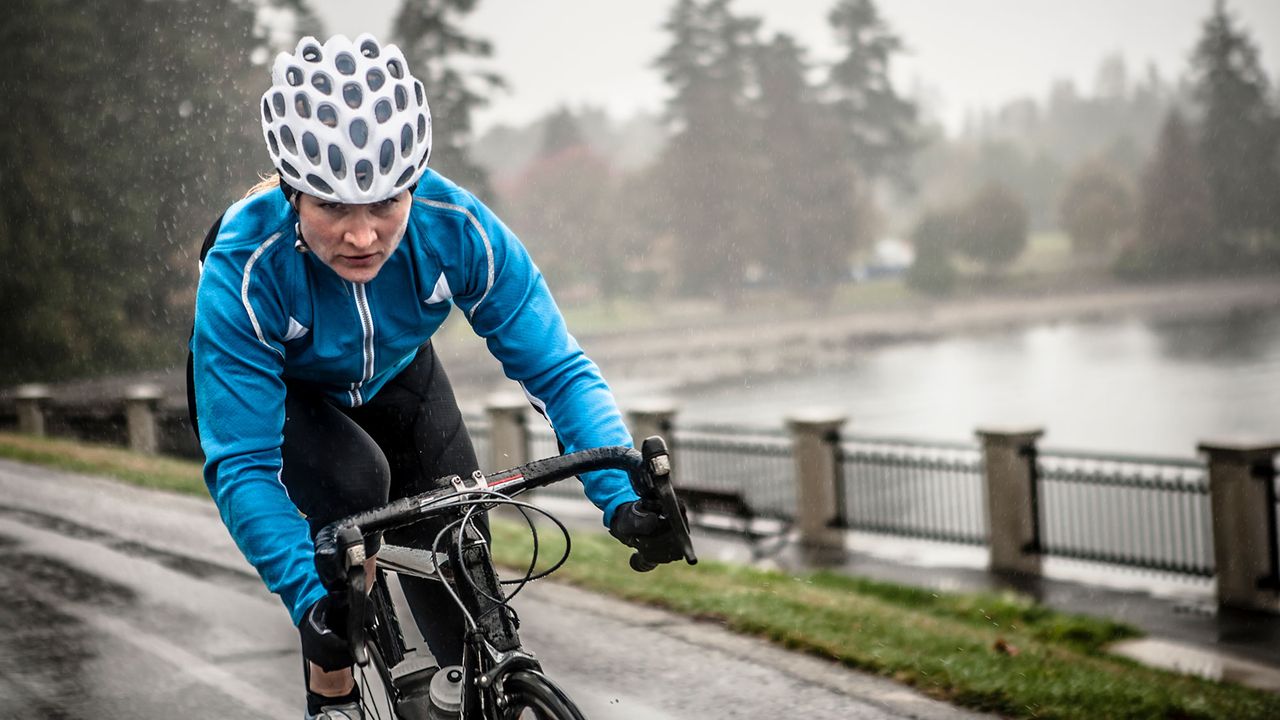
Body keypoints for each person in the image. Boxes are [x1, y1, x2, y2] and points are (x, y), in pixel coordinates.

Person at [188, 34, 679, 720]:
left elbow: (559, 371)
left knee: (465, 565)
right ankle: (331, 698)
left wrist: (624, 497)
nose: (362, 237)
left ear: (414, 184)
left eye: (385, 204)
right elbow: (241, 464)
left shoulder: (457, 227)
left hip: (397, 379)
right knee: (352, 500)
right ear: (293, 192)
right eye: (332, 208)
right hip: (292, 400)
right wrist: (310, 598)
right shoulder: (245, 268)